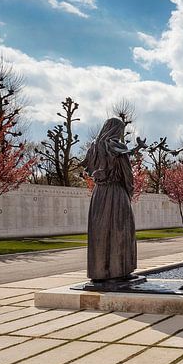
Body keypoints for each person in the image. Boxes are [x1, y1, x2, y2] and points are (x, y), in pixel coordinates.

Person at [82, 118, 142, 282]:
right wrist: (128, 192)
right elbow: (127, 175)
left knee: (99, 232)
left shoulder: (93, 149)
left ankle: (99, 272)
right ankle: (120, 271)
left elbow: (90, 170)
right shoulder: (117, 147)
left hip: (99, 194)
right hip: (116, 192)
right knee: (120, 231)